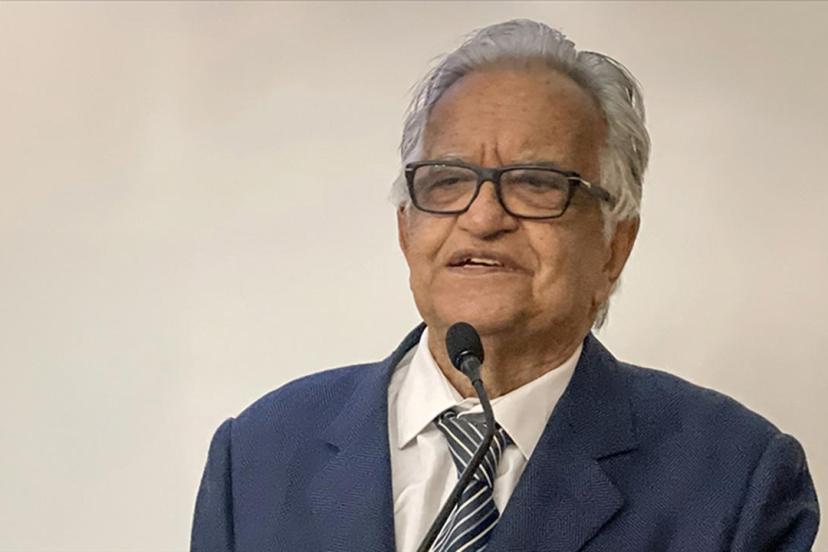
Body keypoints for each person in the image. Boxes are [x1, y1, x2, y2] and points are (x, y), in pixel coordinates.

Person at [191, 19, 819, 552]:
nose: (483, 217)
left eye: (536, 184)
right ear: (406, 230)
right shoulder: (259, 455)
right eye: (447, 180)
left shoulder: (736, 479)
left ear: (614, 245)